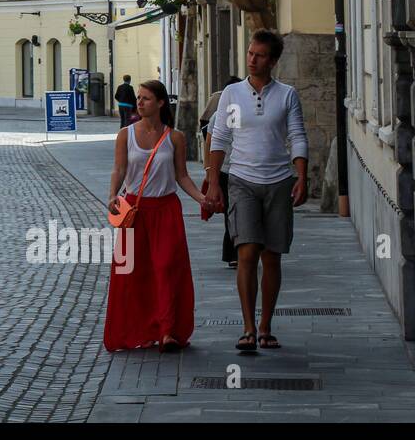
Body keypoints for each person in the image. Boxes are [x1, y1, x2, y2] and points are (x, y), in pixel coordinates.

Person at [205, 30, 309, 354]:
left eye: (260, 55)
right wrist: (212, 181)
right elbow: (218, 137)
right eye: (250, 53)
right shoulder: (231, 94)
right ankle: (248, 328)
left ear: (273, 60)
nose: (252, 59)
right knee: (246, 252)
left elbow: (298, 136)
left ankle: (266, 326)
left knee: (272, 256)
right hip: (241, 180)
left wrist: (302, 177)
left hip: (279, 181)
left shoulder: (287, 95)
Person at [103, 80, 206, 352]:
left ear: (160, 103)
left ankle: (168, 330)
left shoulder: (175, 138)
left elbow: (182, 176)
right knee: (132, 274)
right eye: (138, 97)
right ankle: (138, 330)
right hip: (134, 212)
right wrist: (113, 195)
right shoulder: (126, 134)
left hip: (166, 211)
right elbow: (119, 169)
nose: (139, 102)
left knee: (167, 269)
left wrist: (202, 199)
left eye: (146, 98)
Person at [199, 75, 243, 268]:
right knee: (230, 212)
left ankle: (241, 249)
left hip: (243, 168)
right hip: (226, 169)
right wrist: (210, 172)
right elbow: (210, 143)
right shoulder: (219, 115)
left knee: (238, 212)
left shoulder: (245, 112)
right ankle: (233, 252)